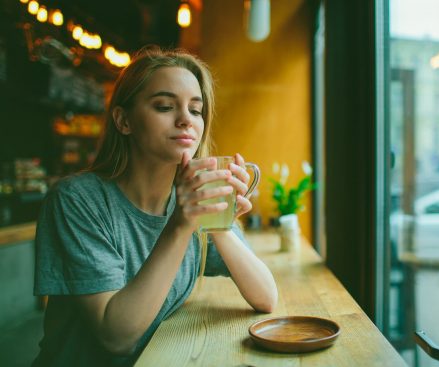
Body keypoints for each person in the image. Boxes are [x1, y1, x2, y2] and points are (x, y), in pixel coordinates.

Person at [32, 46, 278, 367]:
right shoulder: (76, 200)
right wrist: (180, 224)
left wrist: (219, 219)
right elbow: (116, 338)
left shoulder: (190, 197)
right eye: (164, 106)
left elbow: (266, 297)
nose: (185, 120)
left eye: (196, 109)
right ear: (123, 121)